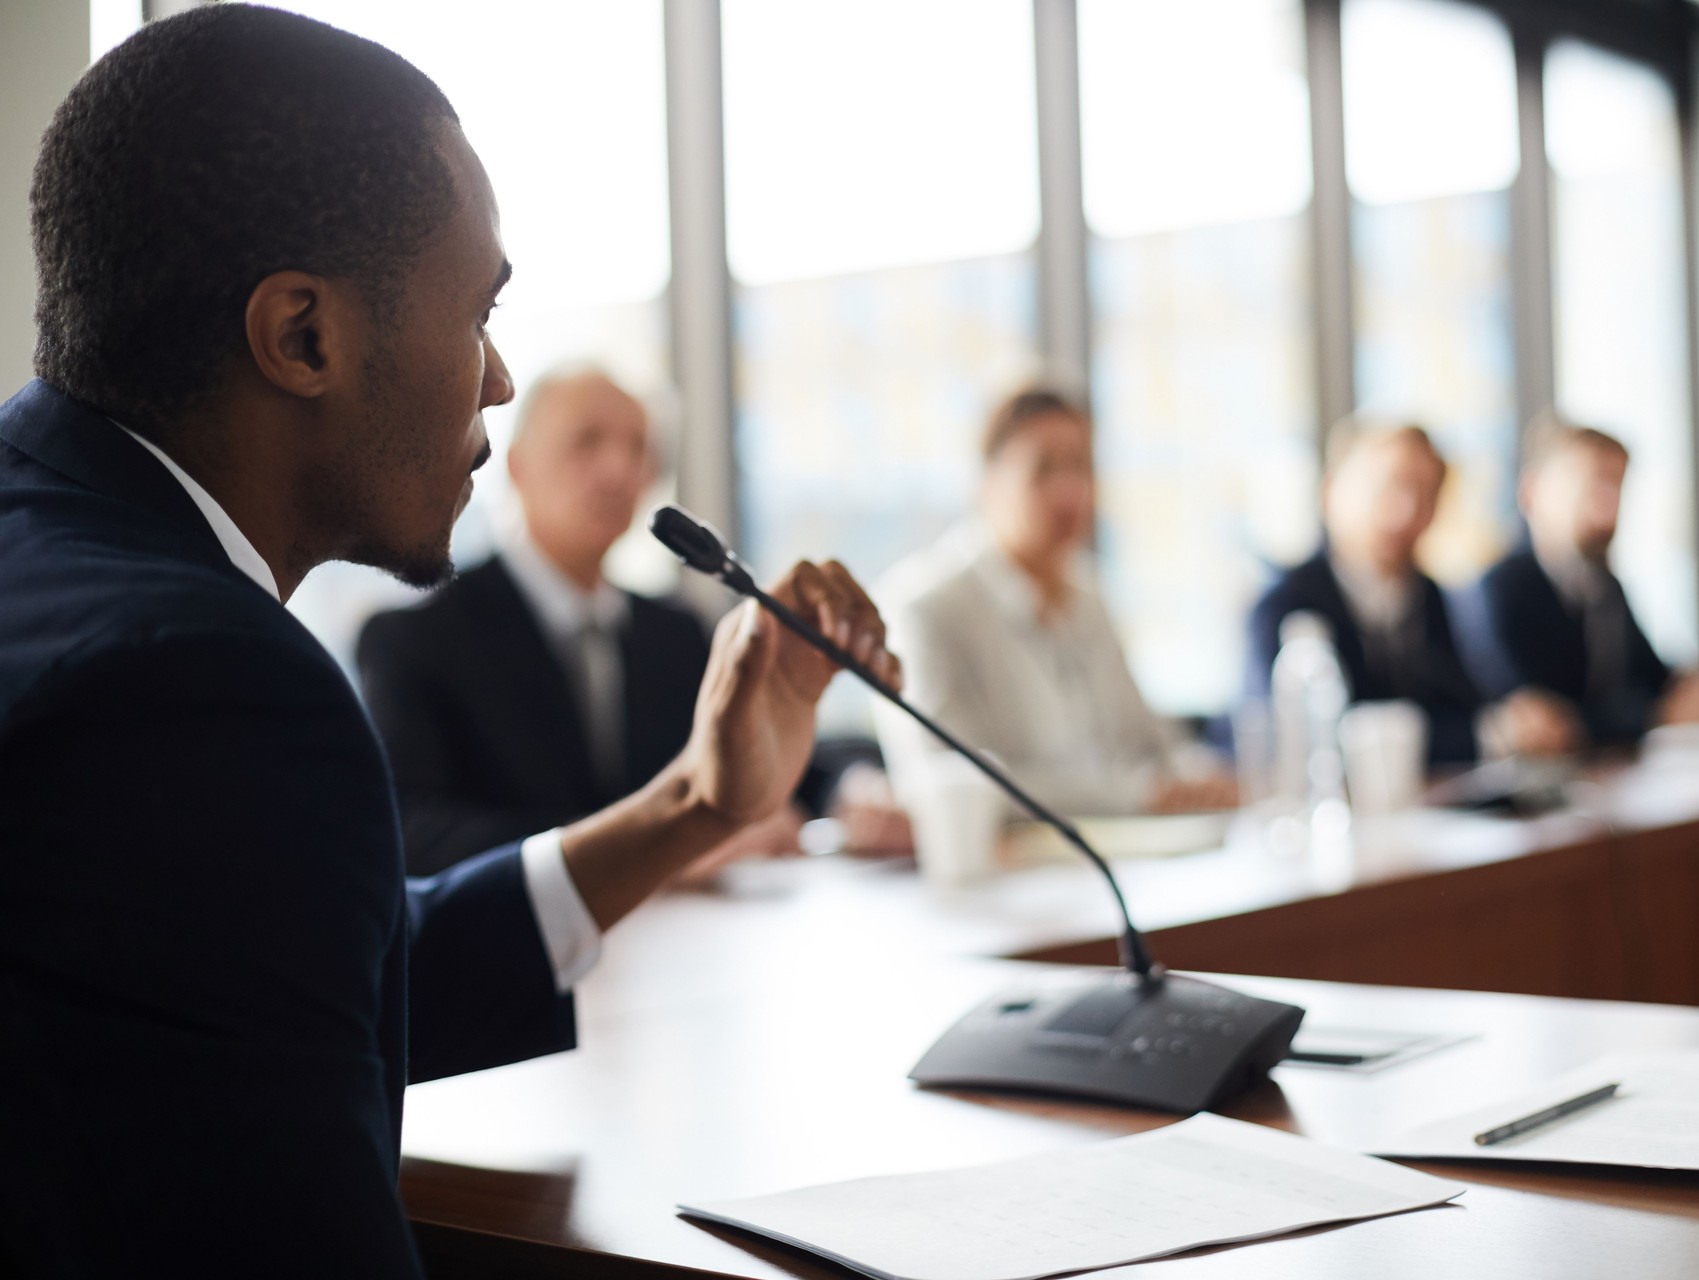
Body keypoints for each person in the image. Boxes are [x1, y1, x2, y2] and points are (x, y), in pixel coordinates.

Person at [0, 8, 894, 1276]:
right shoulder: (200, 679)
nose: (498, 379)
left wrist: (696, 801)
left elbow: (312, 962)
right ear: (303, 335)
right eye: (478, 311)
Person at [356, 365, 813, 877]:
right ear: (517, 467)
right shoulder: (417, 641)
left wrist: (852, 789)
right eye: (586, 442)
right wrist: (658, 847)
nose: (619, 470)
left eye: (638, 448)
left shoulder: (677, 633)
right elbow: (410, 831)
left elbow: (772, 766)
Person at [877, 388, 1235, 817]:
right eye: (1043, 470)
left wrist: (1196, 777)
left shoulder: (1089, 594)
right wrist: (1136, 794)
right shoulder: (924, 607)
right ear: (987, 482)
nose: (1070, 492)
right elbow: (951, 783)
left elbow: (1152, 741)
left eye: (1081, 467)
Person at [1244, 421, 1576, 765]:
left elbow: (1463, 703)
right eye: (1387, 489)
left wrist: (1512, 720)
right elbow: (1311, 741)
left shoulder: (1427, 595)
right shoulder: (1285, 605)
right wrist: (1487, 735)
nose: (1405, 511)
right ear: (1330, 493)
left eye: (1426, 493)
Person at [1455, 415, 1699, 747]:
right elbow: (1546, 720)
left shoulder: (1604, 587)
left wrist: (1688, 691)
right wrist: (1655, 715)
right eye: (1591, 488)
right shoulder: (1496, 591)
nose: (1606, 511)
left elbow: (1651, 677)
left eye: (1617, 488)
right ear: (1532, 492)